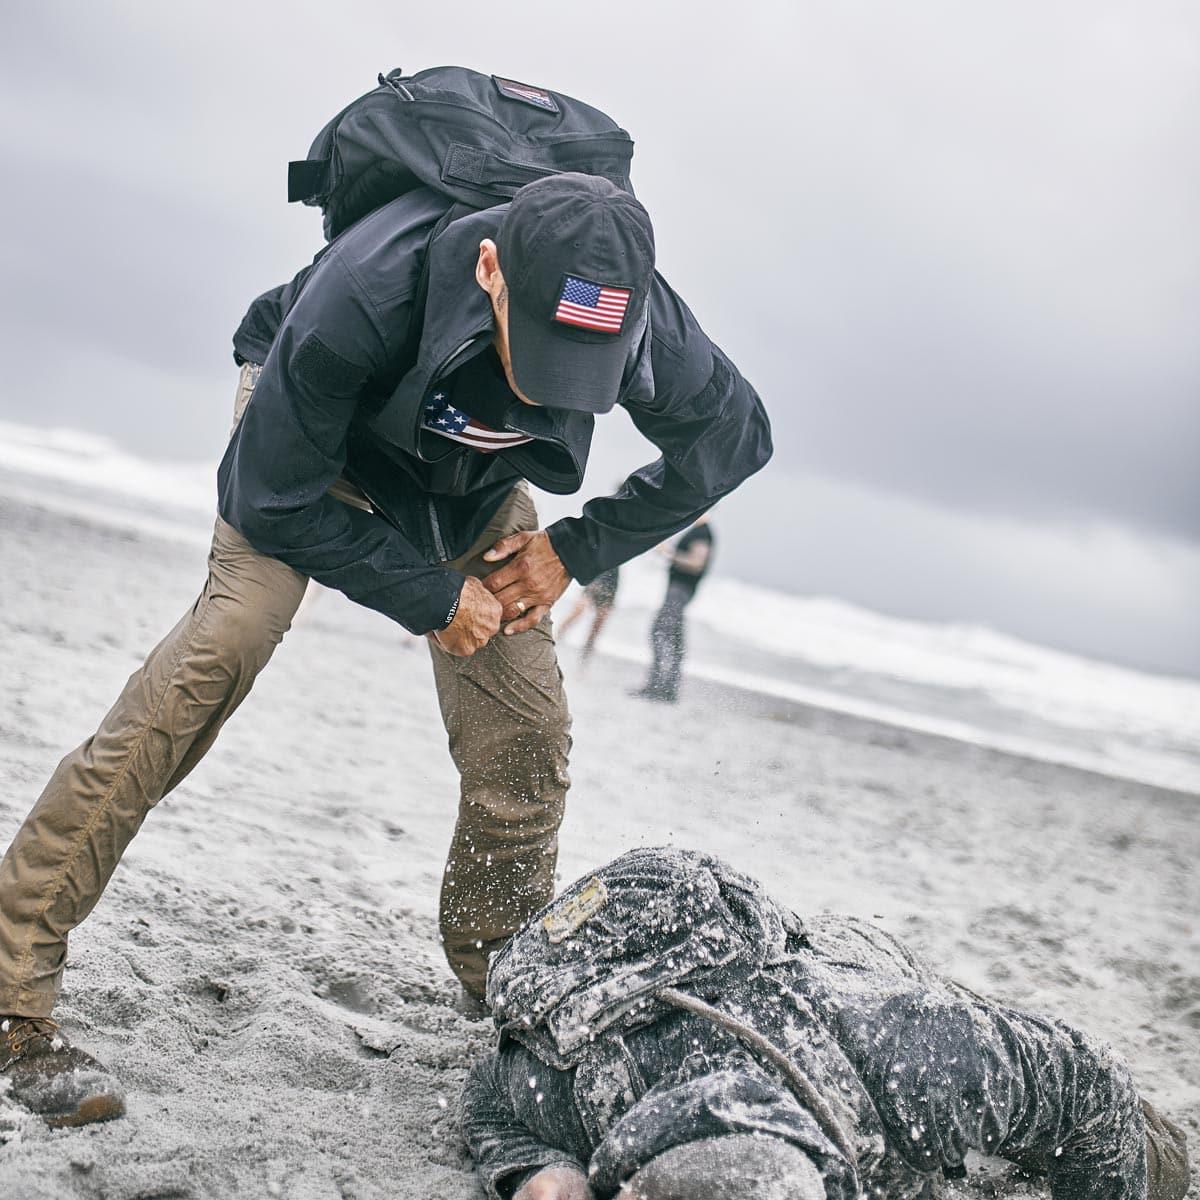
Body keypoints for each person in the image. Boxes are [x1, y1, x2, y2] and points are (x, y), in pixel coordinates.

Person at [0, 173, 772, 1125]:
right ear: (491, 270)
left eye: (588, 374)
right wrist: (428, 595)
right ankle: (11, 991)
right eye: (542, 353)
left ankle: (501, 977)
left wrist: (573, 549)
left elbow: (736, 437)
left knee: (527, 724)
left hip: (464, 478)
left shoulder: (637, 311)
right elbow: (267, 498)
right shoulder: (362, 295)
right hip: (305, 457)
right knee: (220, 653)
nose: (559, 387)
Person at [461, 848, 1190, 1200]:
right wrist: (537, 1169)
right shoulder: (566, 1091)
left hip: (843, 965)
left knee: (1161, 1159)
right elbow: (492, 1086)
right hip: (654, 967)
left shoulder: (909, 1061)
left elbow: (1088, 1079)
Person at [634, 515, 714, 702]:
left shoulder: (703, 532)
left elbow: (696, 563)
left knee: (660, 634)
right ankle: (668, 689)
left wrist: (668, 553)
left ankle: (658, 687)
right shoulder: (699, 531)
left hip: (679, 592)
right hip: (680, 592)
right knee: (674, 641)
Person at [556, 568, 621, 663]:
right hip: (596, 576)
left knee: (597, 626)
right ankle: (557, 639)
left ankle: (584, 660)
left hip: (611, 581)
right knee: (578, 612)